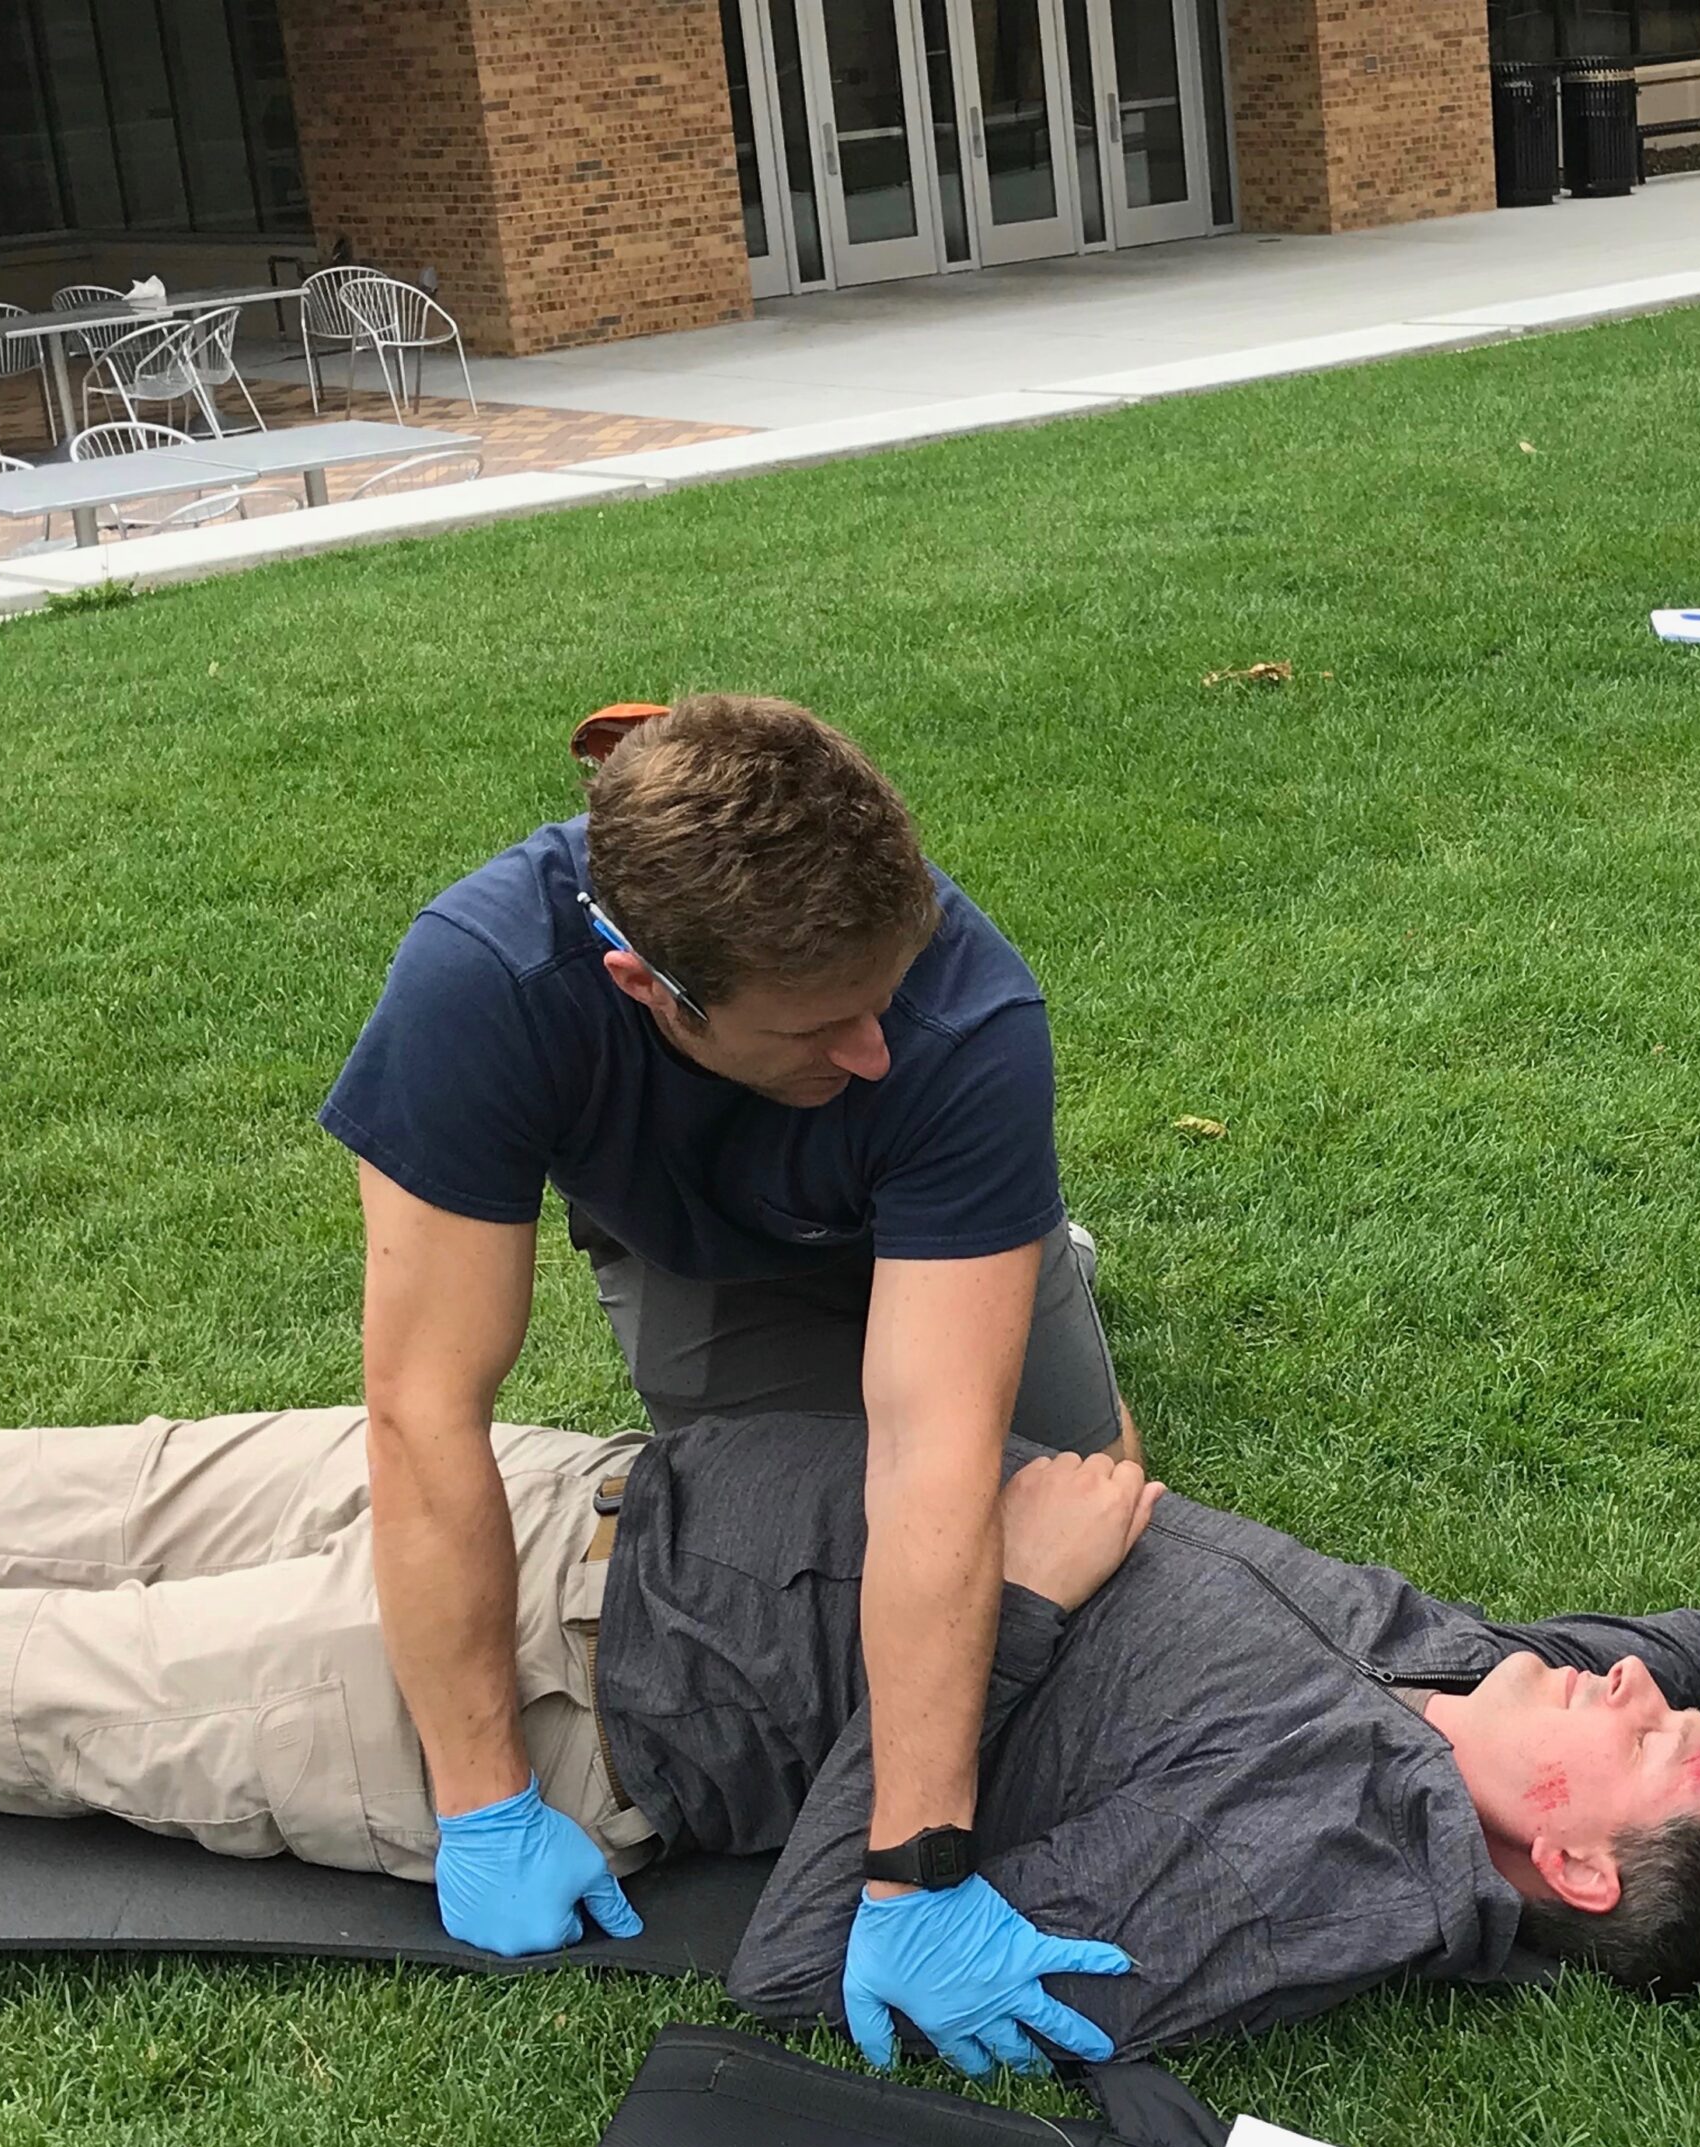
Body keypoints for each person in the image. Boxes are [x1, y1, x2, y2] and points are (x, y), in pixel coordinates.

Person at [0, 1404, 1700, 2060]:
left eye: (1646, 1747)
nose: (1640, 1682)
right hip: (557, 1488)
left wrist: (1009, 1602)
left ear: (1564, 1869)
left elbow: (817, 1956)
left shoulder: (1329, 1873)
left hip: (537, 1698)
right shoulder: (1482, 1670)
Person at [316, 693, 1139, 2066]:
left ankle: (1022, 1248)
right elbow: (422, 1407)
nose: (869, 1045)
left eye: (882, 1000)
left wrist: (916, 1870)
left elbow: (933, 1463)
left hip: (926, 1187)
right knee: (777, 1537)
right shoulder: (483, 983)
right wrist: (483, 1798)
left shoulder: (955, 1014)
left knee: (1078, 1496)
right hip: (693, 1241)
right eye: (825, 1026)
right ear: (649, 983)